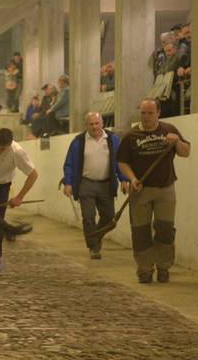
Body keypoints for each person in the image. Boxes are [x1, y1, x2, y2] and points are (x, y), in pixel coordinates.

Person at [117, 98, 190, 284]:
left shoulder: (169, 130)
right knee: (141, 231)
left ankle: (163, 267)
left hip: (165, 188)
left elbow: (185, 152)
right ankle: (145, 269)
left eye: (150, 112)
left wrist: (176, 143)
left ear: (158, 112)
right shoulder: (130, 136)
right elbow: (122, 161)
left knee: (165, 230)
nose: (146, 116)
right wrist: (132, 178)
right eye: (143, 112)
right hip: (141, 190)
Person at [62, 112, 129, 259]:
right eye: (91, 124)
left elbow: (120, 161)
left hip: (106, 184)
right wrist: (68, 183)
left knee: (110, 218)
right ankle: (94, 247)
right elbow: (69, 164)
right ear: (86, 125)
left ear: (102, 124)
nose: (94, 127)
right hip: (86, 184)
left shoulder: (112, 140)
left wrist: (123, 179)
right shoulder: (78, 142)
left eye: (97, 123)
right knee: (88, 217)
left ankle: (95, 237)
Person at [0, 128, 38, 275]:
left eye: (1, 148)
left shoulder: (17, 152)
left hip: (1, 187)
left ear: (9, 145)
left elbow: (33, 174)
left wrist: (19, 197)